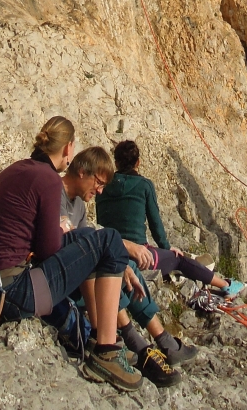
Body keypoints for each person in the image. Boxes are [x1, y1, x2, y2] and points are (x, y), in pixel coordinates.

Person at [0, 117, 143, 392]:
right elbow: (49, 248)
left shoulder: (16, 169)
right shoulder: (48, 179)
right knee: (109, 238)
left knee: (90, 236)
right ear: (68, 148)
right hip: (10, 292)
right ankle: (107, 351)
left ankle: (97, 336)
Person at [96, 140, 244, 364]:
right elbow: (155, 223)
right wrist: (166, 247)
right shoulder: (144, 185)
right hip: (141, 253)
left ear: (115, 162)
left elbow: (101, 221)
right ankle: (225, 285)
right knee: (178, 260)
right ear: (138, 162)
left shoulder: (103, 186)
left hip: (111, 250)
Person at [60, 147, 182, 389]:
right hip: (66, 280)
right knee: (109, 266)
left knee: (124, 268)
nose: (101, 191)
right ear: (83, 172)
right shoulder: (54, 195)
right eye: (99, 183)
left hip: (81, 277)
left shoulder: (80, 207)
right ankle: (139, 344)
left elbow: (89, 240)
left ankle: (146, 342)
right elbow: (78, 245)